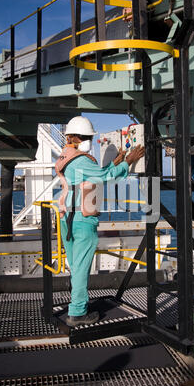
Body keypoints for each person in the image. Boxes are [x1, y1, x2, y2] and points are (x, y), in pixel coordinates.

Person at [55, 116, 144, 327]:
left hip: (66, 218)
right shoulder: (82, 160)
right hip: (82, 220)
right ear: (73, 138)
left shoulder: (66, 156)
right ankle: (77, 313)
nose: (89, 141)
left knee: (75, 265)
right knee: (81, 267)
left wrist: (116, 161)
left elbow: (94, 174)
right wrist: (128, 161)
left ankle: (78, 303)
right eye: (86, 137)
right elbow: (106, 177)